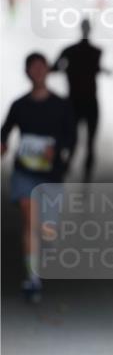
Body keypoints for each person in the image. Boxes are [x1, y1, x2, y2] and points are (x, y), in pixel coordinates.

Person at [1, 52, 76, 300]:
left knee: (46, 227)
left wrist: (59, 151)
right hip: (25, 171)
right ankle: (32, 277)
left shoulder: (61, 105)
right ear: (27, 72)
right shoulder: (19, 105)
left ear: (48, 70)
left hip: (51, 174)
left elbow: (72, 136)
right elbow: (5, 132)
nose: (38, 71)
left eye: (41, 67)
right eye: (33, 67)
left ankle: (45, 245)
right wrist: (3, 146)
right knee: (29, 220)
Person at [52, 18, 109, 178]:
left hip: (74, 101)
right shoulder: (96, 52)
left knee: (73, 139)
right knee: (90, 141)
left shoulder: (69, 51)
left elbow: (54, 67)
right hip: (90, 101)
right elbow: (96, 68)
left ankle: (67, 167)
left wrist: (65, 69)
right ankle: (86, 172)